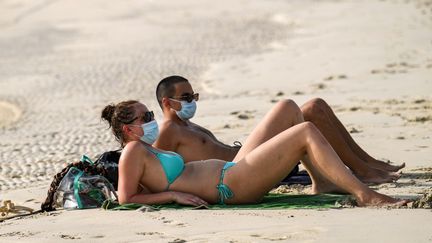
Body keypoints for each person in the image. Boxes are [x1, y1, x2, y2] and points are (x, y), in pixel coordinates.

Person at [101, 100, 408, 207]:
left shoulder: (143, 149)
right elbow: (127, 198)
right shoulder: (131, 154)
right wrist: (173, 196)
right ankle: (363, 193)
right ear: (128, 130)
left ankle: (323, 181)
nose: (153, 120)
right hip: (230, 186)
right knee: (305, 132)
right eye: (145, 118)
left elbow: (144, 185)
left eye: (151, 113)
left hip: (230, 170)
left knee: (286, 108)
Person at [154, 76, 404, 184]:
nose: (192, 101)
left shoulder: (185, 125)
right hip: (241, 169)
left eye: (194, 95)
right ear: (167, 102)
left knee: (315, 107)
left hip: (247, 156)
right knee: (294, 109)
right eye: (186, 97)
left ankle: (368, 164)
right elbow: (155, 169)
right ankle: (363, 171)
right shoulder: (168, 130)